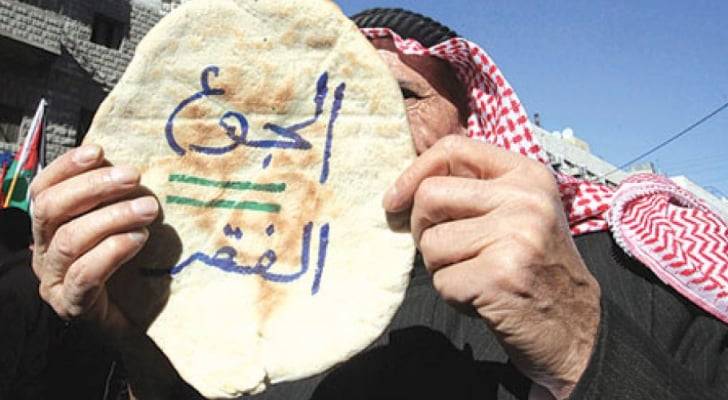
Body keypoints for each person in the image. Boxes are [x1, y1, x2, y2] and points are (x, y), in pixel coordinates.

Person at [27, 7, 726, 400]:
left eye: (404, 96)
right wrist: (135, 339)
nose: (364, 127)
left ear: (475, 126)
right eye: (333, 103)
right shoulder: (250, 296)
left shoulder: (621, 278)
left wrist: (577, 341)